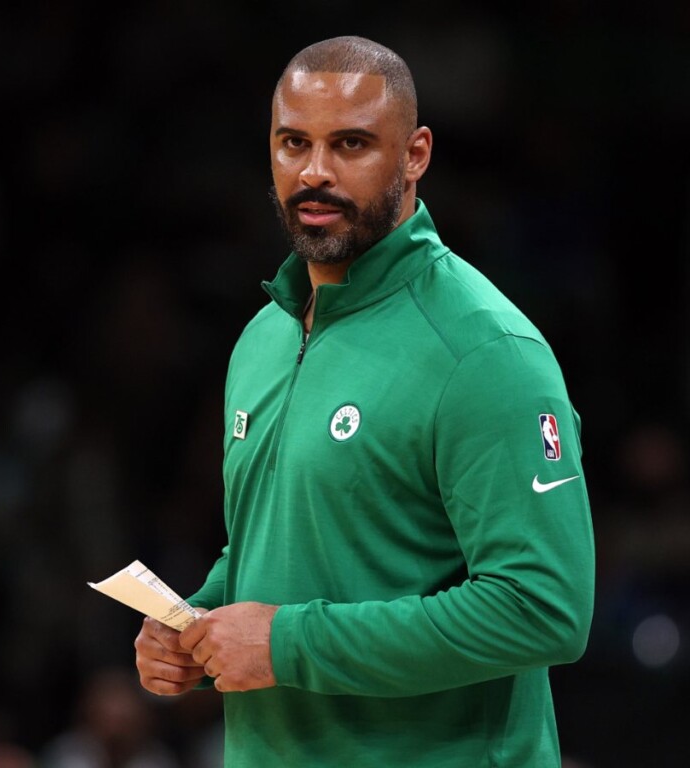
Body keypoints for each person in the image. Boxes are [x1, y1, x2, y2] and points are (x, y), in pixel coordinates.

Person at [133, 35, 595, 766]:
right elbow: (295, 544)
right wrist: (197, 624)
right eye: (293, 144)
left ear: (415, 155)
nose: (314, 172)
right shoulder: (265, 335)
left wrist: (286, 644)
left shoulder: (484, 351)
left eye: (350, 144)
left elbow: (544, 611)